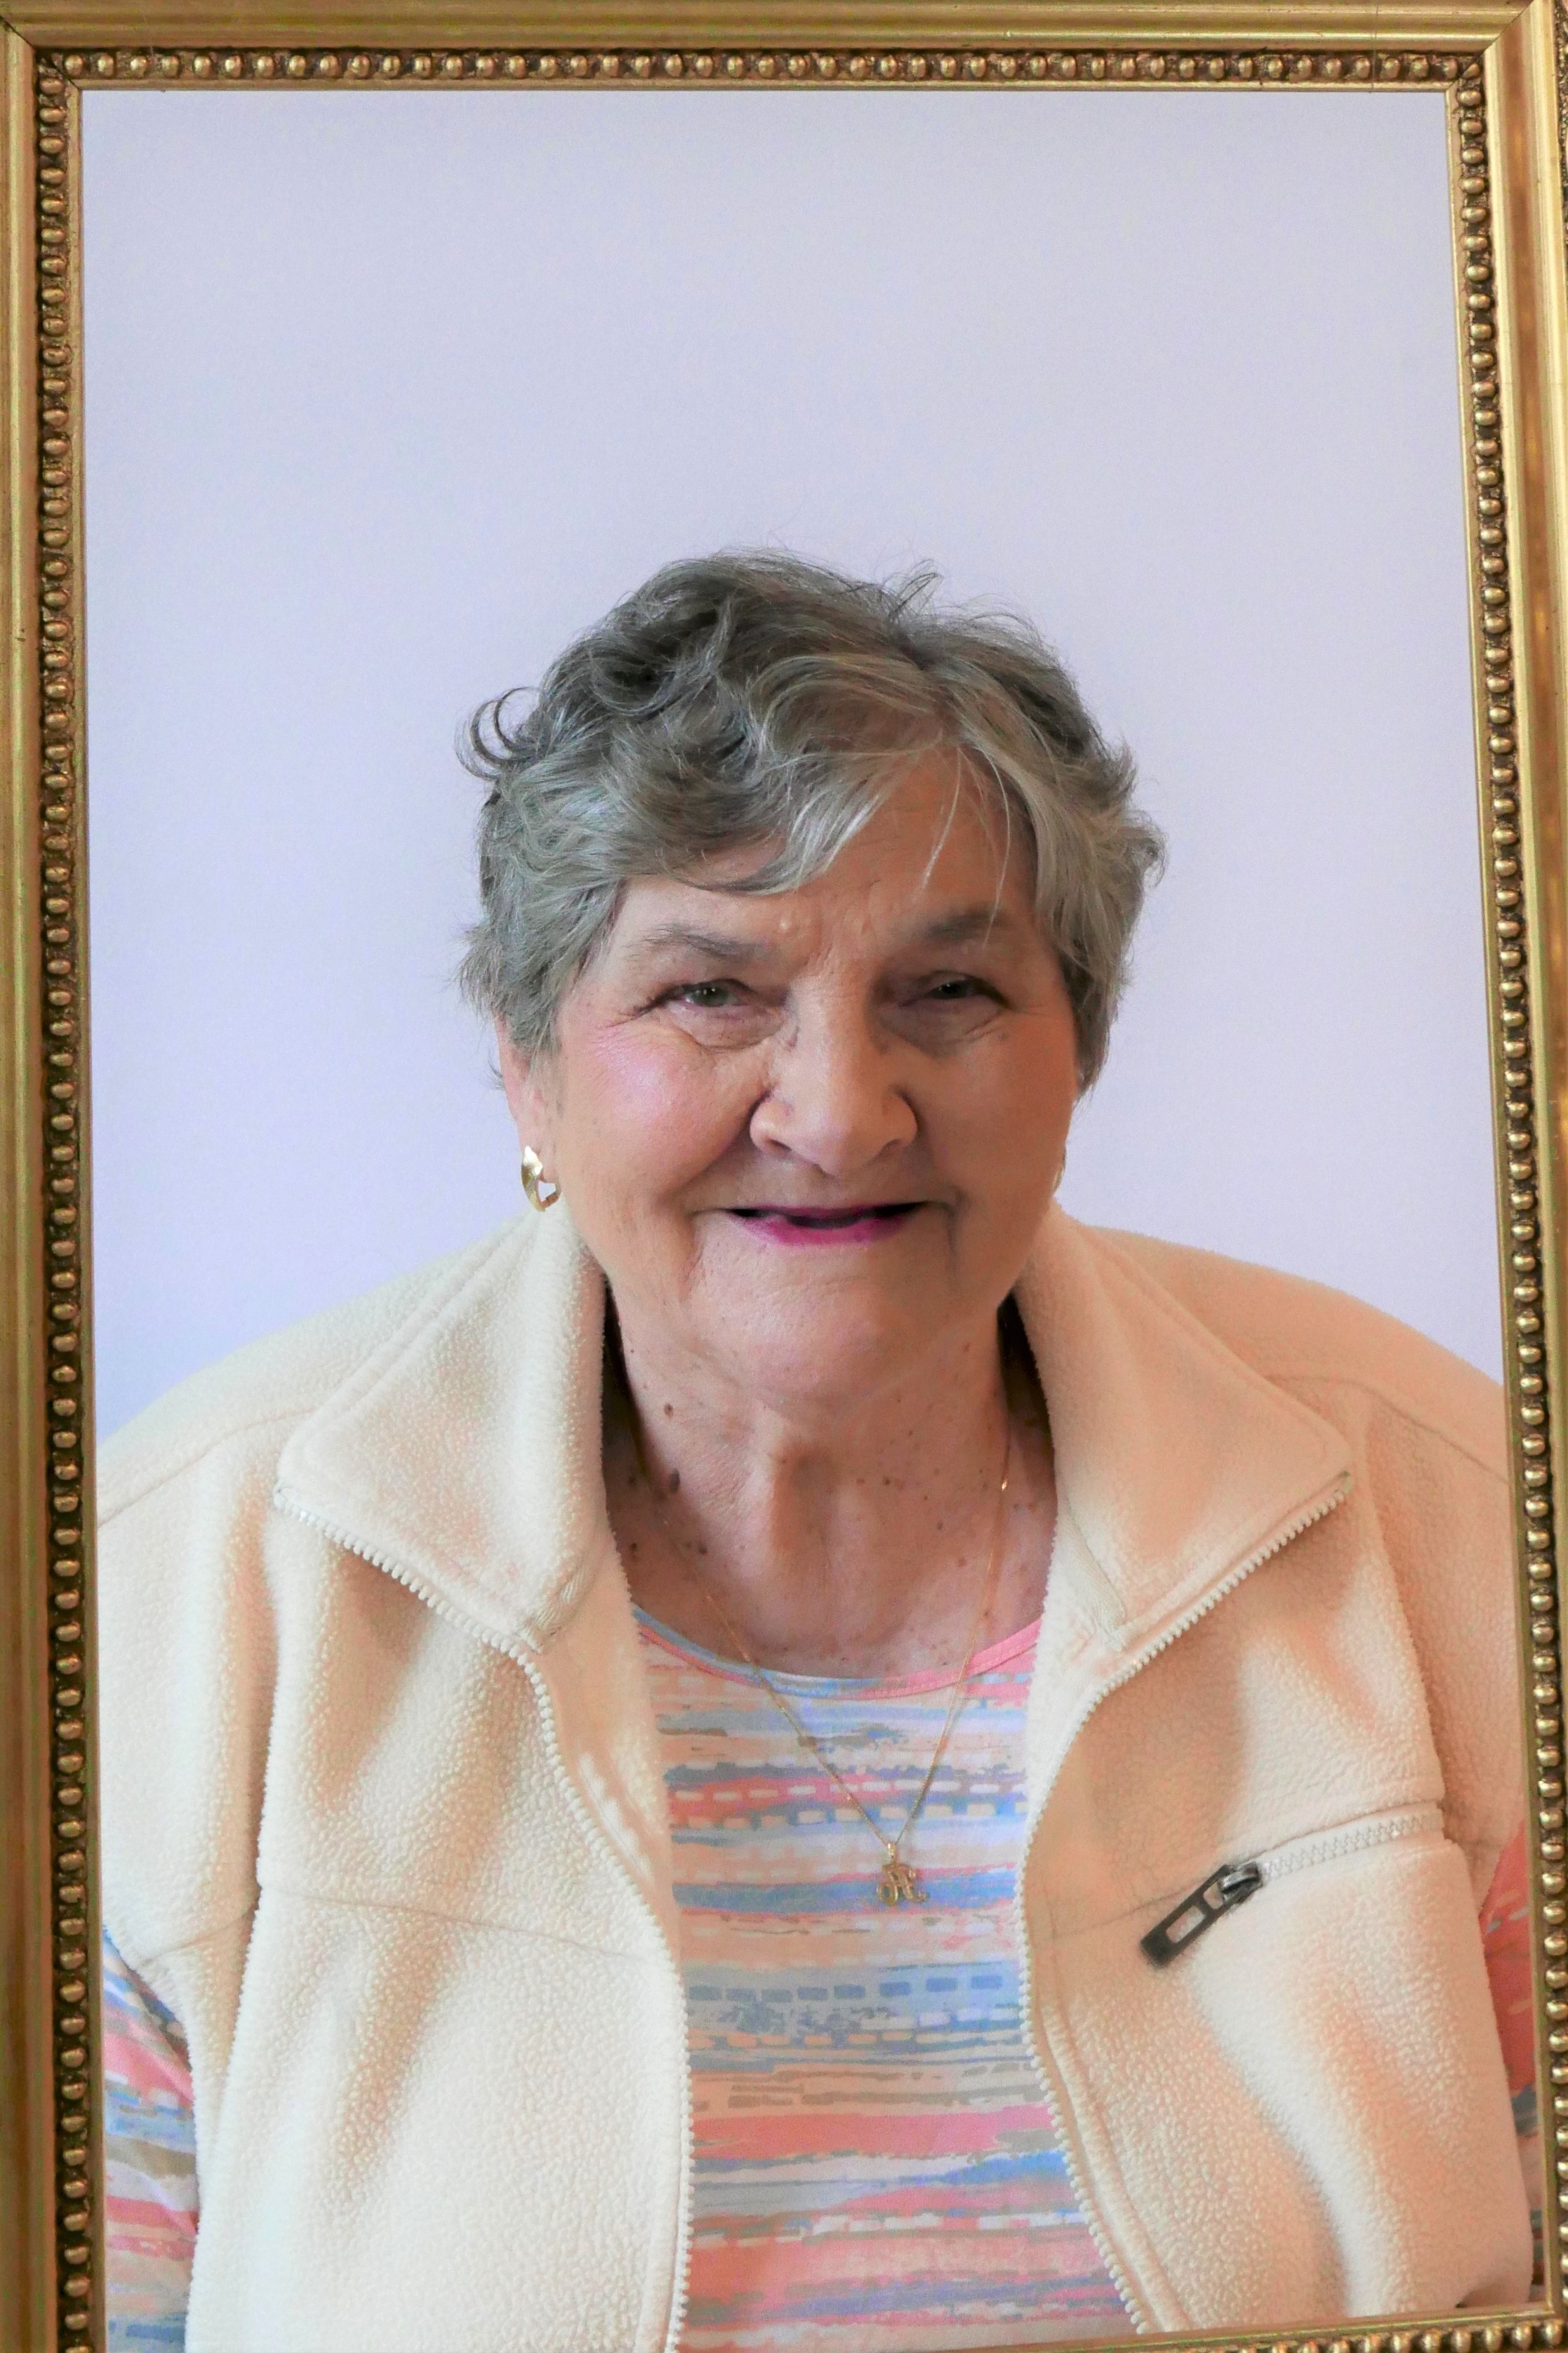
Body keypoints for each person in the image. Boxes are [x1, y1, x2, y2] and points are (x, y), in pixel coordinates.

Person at [99, 552, 1536, 2353]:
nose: (840, 1109)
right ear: (530, 1062)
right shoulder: (179, 1587)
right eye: (712, 990)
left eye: (950, 990)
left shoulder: (1436, 1505)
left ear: (1079, 1047)